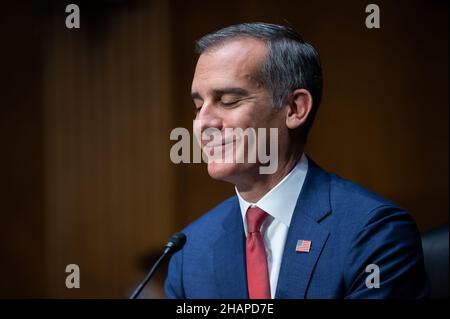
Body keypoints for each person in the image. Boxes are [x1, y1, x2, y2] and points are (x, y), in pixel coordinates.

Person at [164, 22, 429, 298]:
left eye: (228, 100)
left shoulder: (375, 233)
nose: (203, 123)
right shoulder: (189, 252)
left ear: (294, 108)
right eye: (197, 107)